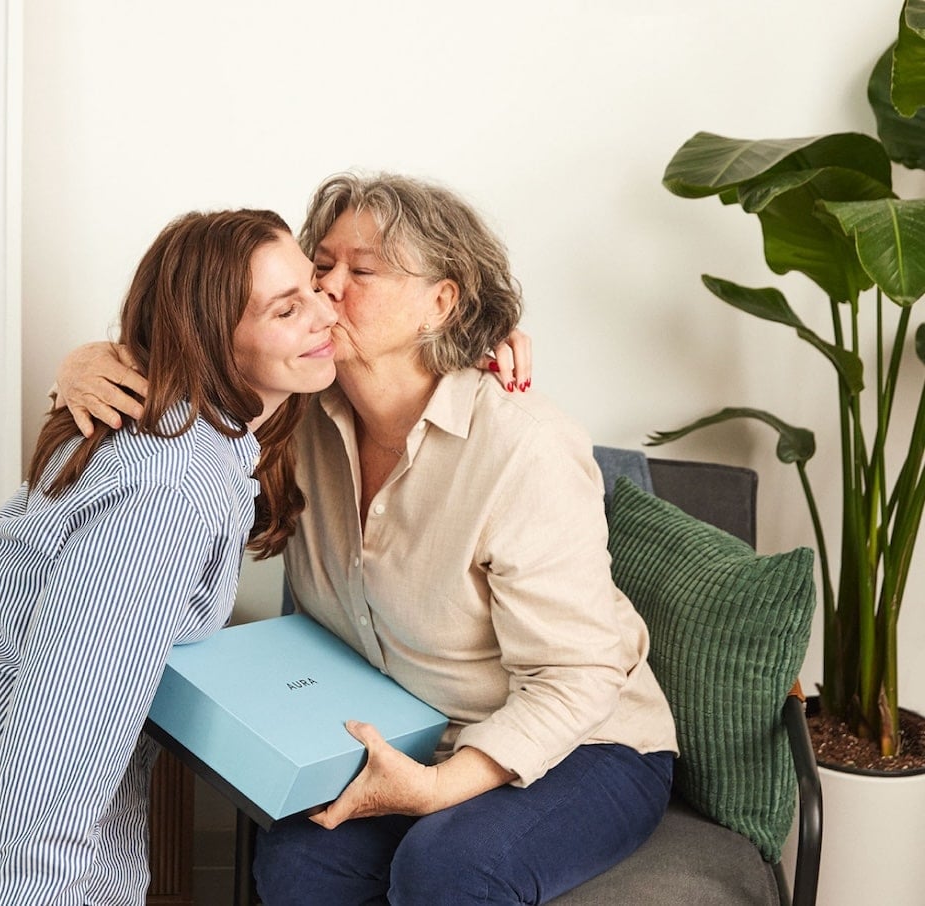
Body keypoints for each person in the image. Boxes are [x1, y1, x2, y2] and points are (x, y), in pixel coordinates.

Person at [57, 173, 678, 906]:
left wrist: (440, 787)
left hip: (582, 744)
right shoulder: (294, 412)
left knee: (449, 866)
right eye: (321, 267)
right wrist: (94, 362)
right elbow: (197, 363)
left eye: (363, 270)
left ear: (441, 302)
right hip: (402, 732)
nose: (326, 291)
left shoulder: (523, 447)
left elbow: (576, 679)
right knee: (296, 863)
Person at [0, 208, 339, 905]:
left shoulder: (186, 430)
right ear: (211, 341)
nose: (326, 314)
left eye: (315, 287)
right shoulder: (169, 491)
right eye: (288, 309)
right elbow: (61, 727)